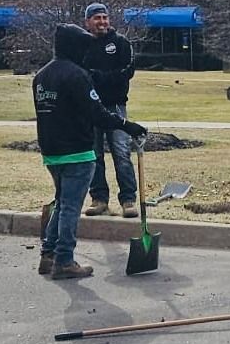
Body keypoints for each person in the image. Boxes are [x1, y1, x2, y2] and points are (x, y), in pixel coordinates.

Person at [34, 23, 148, 280]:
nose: (86, 52)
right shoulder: (77, 76)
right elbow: (97, 113)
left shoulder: (41, 76)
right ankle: (64, 260)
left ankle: (47, 255)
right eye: (83, 47)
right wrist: (126, 125)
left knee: (62, 202)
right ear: (73, 47)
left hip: (51, 152)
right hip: (77, 151)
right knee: (71, 208)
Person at [80, 3, 139, 218]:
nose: (102, 22)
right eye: (97, 18)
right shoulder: (82, 45)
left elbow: (127, 72)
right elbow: (80, 75)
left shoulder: (121, 43)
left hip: (116, 106)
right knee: (93, 155)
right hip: (91, 108)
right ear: (88, 22)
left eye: (104, 17)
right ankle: (99, 199)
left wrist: (99, 78)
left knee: (122, 153)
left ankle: (128, 200)